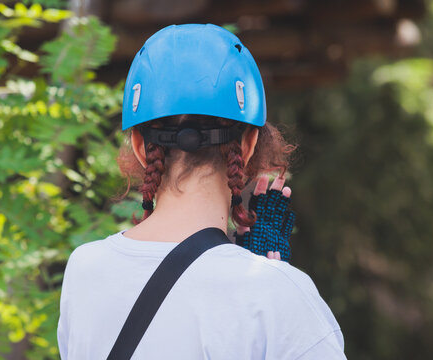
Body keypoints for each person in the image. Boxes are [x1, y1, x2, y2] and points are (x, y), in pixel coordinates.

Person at [57, 24, 346, 359]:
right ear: (249, 145)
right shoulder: (277, 296)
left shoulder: (84, 271)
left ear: (139, 146)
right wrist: (269, 282)